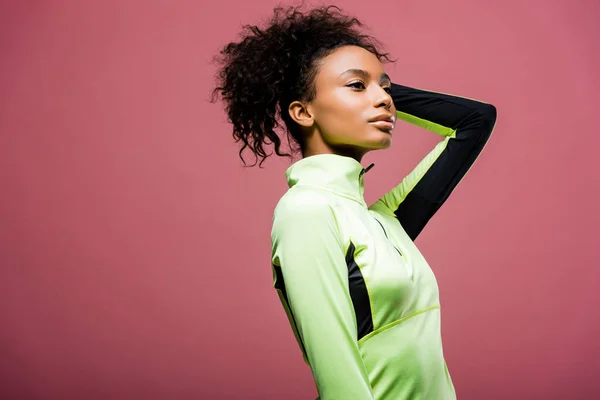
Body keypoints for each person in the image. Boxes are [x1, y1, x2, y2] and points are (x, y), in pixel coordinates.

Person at [211, 4, 497, 399]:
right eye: (358, 86)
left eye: (386, 87)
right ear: (302, 111)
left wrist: (374, 91)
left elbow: (475, 120)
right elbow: (338, 376)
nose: (383, 100)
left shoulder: (383, 221)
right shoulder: (307, 211)